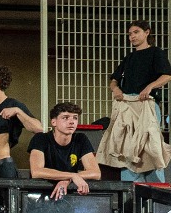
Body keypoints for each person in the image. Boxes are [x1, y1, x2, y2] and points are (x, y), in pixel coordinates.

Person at [107, 21, 171, 182]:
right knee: (127, 147)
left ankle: (156, 190)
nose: (132, 36)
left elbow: (166, 75)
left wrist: (149, 87)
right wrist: (116, 90)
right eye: (130, 34)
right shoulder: (129, 57)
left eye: (136, 32)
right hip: (127, 105)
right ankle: (130, 189)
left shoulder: (156, 53)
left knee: (150, 146)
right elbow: (113, 80)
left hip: (147, 105)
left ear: (147, 32)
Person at [28, 102, 101, 200]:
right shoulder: (40, 138)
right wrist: (72, 176)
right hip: (40, 195)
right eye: (65, 118)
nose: (72, 122)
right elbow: (37, 171)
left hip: (67, 194)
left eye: (75, 118)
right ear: (53, 122)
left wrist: (68, 179)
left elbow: (96, 173)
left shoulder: (80, 139)